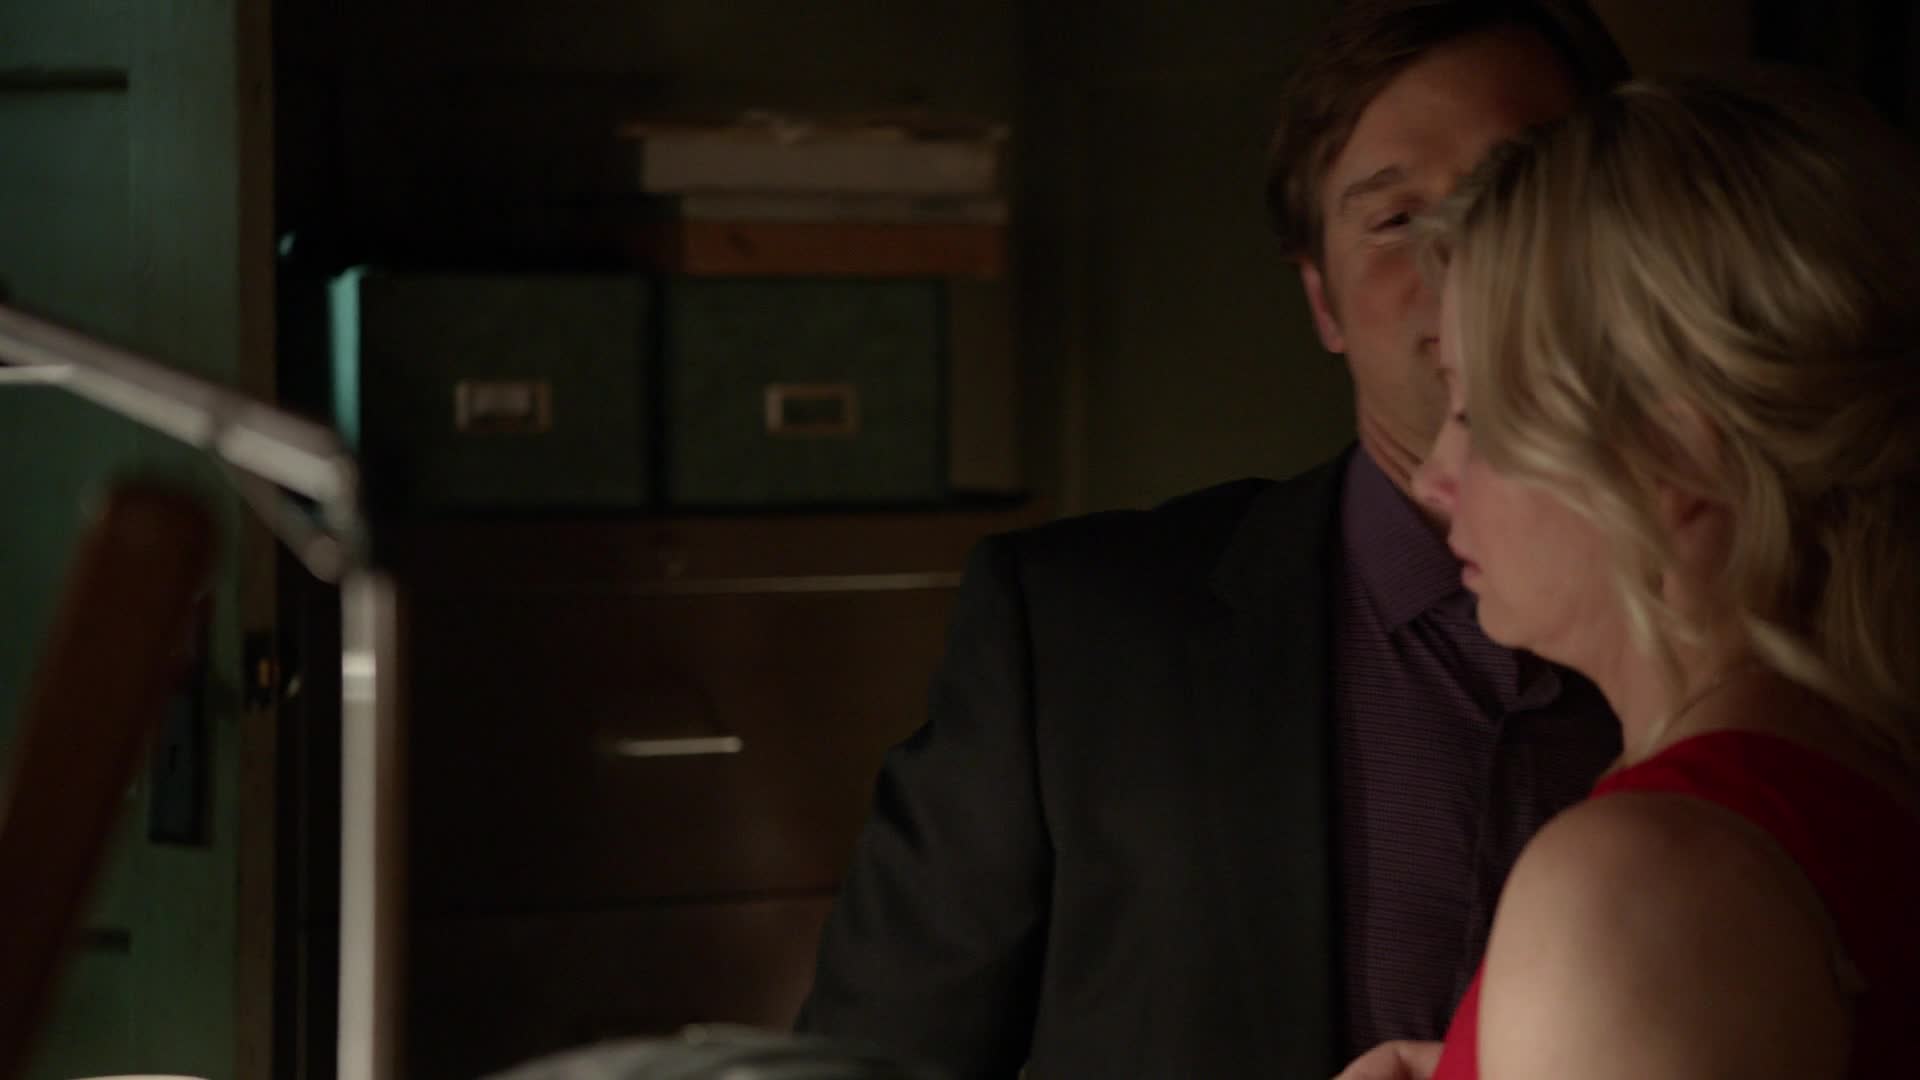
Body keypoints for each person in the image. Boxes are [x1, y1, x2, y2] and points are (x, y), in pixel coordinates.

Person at [796, 4, 1629, 1076]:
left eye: (1521, 196)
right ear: (1322, 297)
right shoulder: (1079, 637)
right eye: (1394, 220)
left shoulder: (1754, 634)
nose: (1468, 256)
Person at [1383, 73, 1920, 1079]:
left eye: (1476, 412)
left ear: (1673, 456)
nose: (1432, 478)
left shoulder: (1636, 883)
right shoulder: (1852, 789)